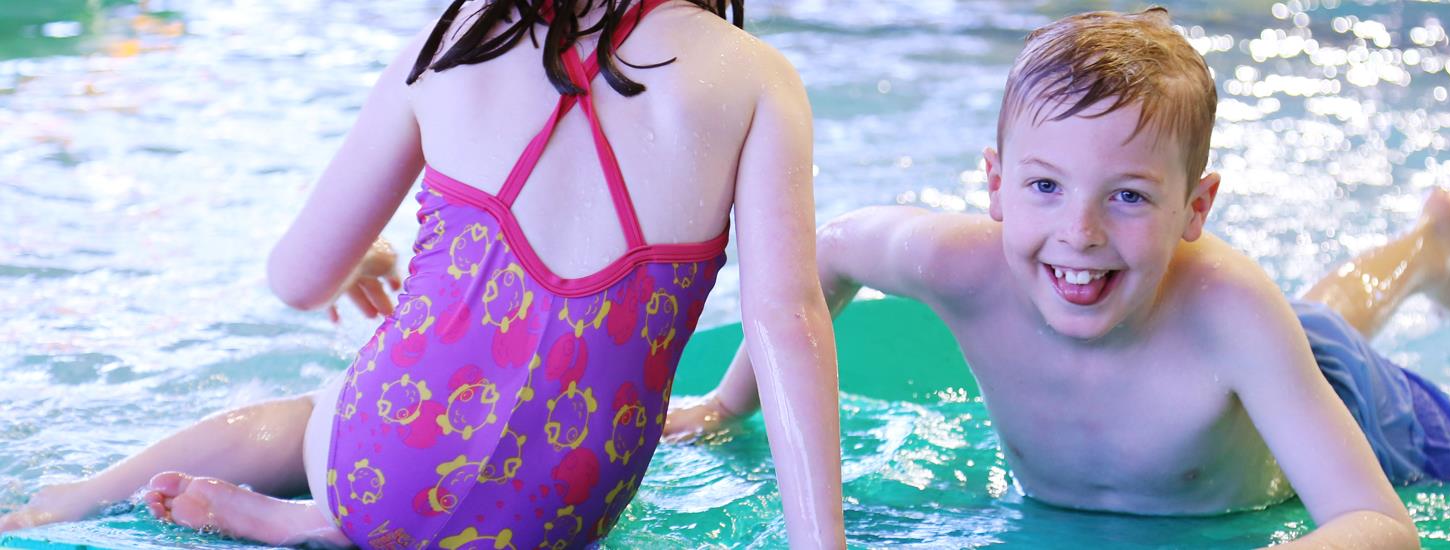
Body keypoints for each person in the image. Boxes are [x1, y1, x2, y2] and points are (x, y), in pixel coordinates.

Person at [665, 7, 1450, 547]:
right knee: (1299, 323)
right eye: (1042, 186)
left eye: (1126, 196)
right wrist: (725, 401)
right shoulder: (955, 261)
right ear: (992, 184)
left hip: (1319, 380)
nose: (1075, 234)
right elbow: (813, 266)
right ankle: (1425, 250)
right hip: (1256, 348)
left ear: (1195, 209)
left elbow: (1380, 523)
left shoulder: (1225, 301)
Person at [0, 0, 846, 548]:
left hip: (381, 468)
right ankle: (310, 526)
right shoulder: (757, 78)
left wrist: (361, 262)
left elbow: (296, 280)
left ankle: (86, 498)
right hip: (564, 509)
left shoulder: (450, 44)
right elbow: (790, 321)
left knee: (310, 417)